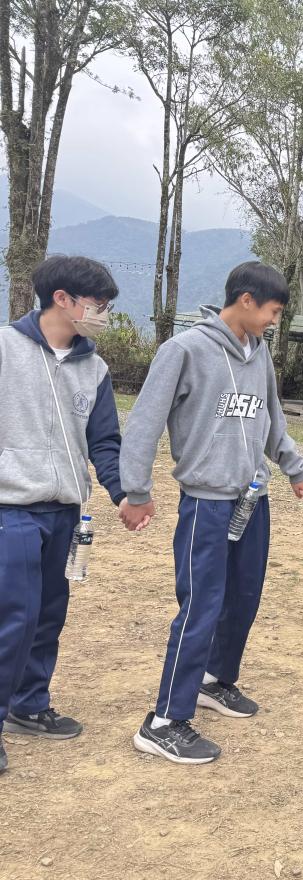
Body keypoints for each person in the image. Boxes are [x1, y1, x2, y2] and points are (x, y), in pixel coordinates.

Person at [119, 261, 303, 765]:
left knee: (243, 597)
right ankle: (164, 721)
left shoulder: (260, 354)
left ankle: (215, 679)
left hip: (253, 499)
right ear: (246, 300)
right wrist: (135, 490)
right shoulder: (184, 350)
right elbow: (144, 422)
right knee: (201, 606)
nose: (275, 321)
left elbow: (272, 419)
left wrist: (297, 472)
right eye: (274, 311)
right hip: (206, 502)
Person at [0, 257, 127, 775]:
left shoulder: (94, 370)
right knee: (14, 616)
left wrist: (123, 493)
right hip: (11, 508)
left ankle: (29, 705)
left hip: (66, 511)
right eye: (97, 304)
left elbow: (105, 441)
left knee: (50, 613)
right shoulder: (5, 349)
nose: (103, 315)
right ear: (62, 299)